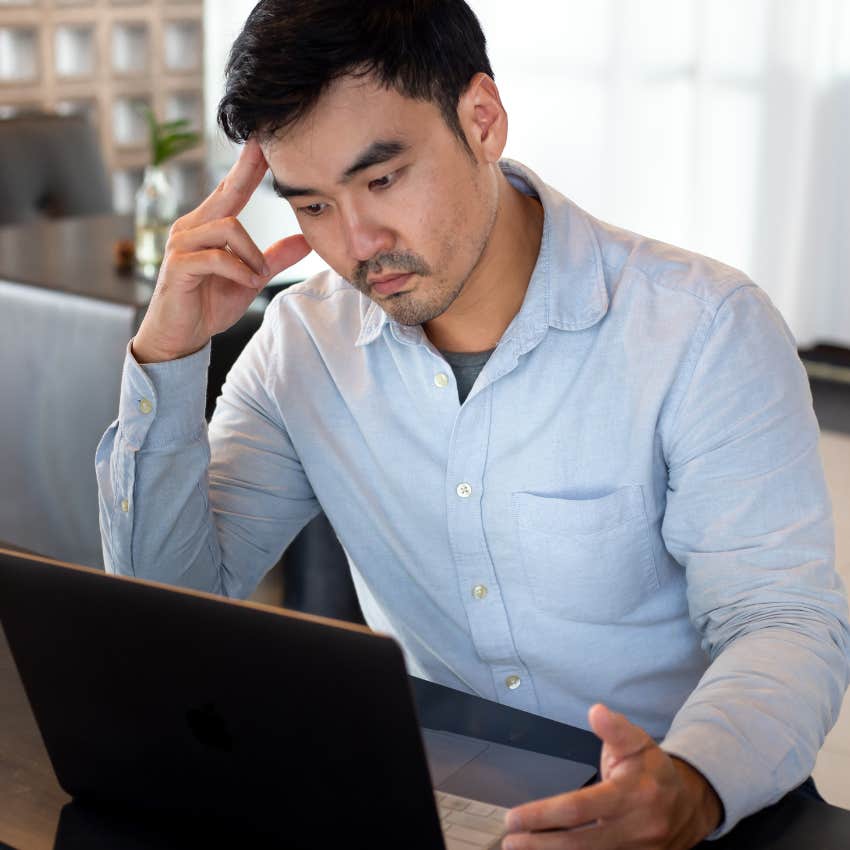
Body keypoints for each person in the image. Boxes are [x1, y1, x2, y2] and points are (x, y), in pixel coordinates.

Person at [96, 1, 850, 847]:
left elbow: (781, 623)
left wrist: (690, 785)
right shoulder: (303, 346)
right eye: (311, 206)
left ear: (481, 120)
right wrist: (165, 360)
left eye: (382, 180)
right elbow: (176, 606)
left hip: (691, 806)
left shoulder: (703, 330)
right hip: (442, 801)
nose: (358, 243)